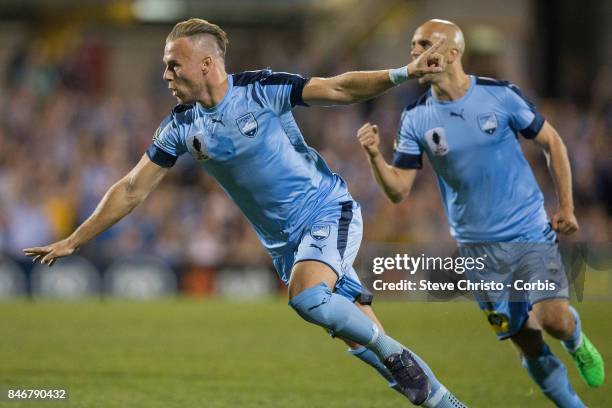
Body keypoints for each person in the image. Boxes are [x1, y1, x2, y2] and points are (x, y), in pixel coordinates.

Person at [24, 18, 467, 407]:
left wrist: (403, 72)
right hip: (285, 246)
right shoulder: (181, 125)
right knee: (371, 348)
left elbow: (338, 87)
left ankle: (394, 352)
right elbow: (132, 188)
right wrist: (74, 239)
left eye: (173, 64)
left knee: (310, 299)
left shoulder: (261, 89)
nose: (165, 74)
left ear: (205, 64)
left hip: (326, 211)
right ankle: (441, 397)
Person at [356, 18, 604, 408]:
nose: (414, 54)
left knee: (553, 319)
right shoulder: (416, 117)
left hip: (527, 229)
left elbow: (552, 142)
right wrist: (374, 156)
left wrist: (567, 205)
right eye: (412, 45)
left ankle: (575, 340)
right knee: (524, 339)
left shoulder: (499, 96)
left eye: (423, 45)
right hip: (476, 247)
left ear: (452, 54)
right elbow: (399, 190)